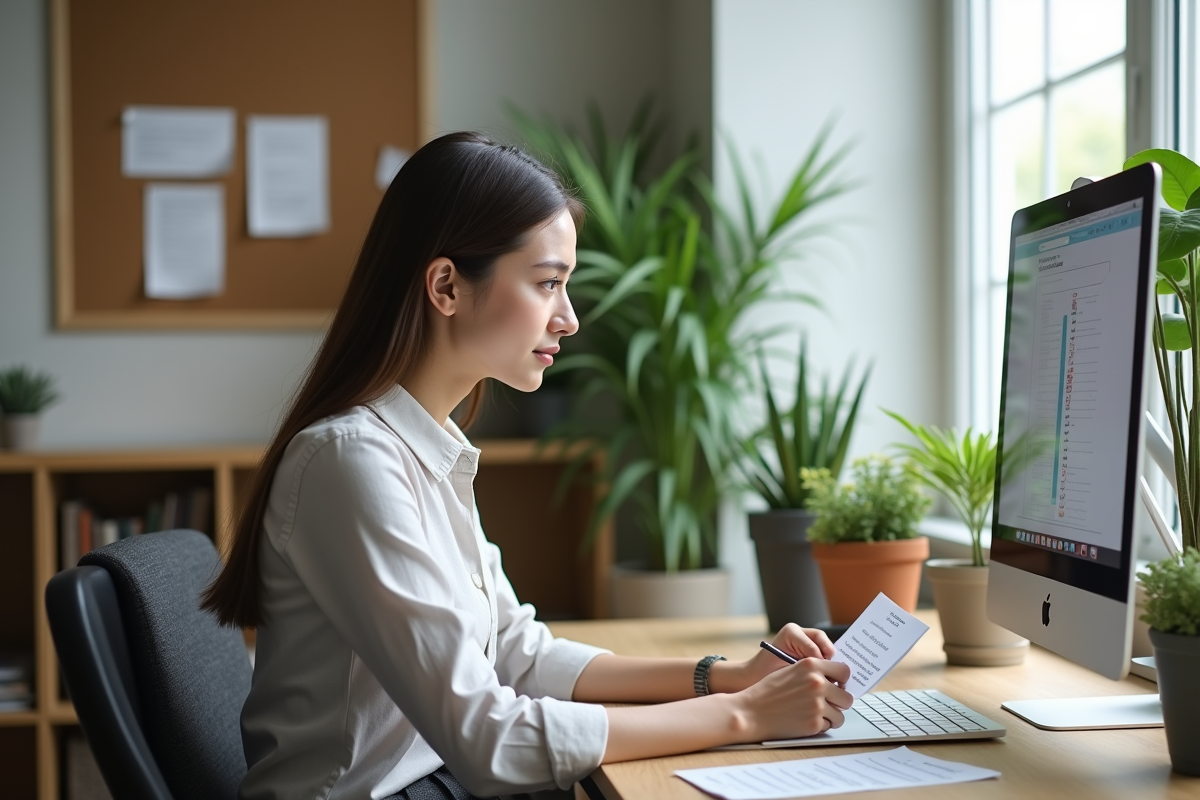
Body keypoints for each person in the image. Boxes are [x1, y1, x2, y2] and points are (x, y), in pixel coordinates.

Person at [202, 132, 853, 800]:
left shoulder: (425, 444)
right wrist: (744, 717)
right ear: (447, 286)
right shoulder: (352, 463)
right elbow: (490, 740)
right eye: (548, 283)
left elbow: (518, 653)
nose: (568, 319)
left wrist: (725, 678)